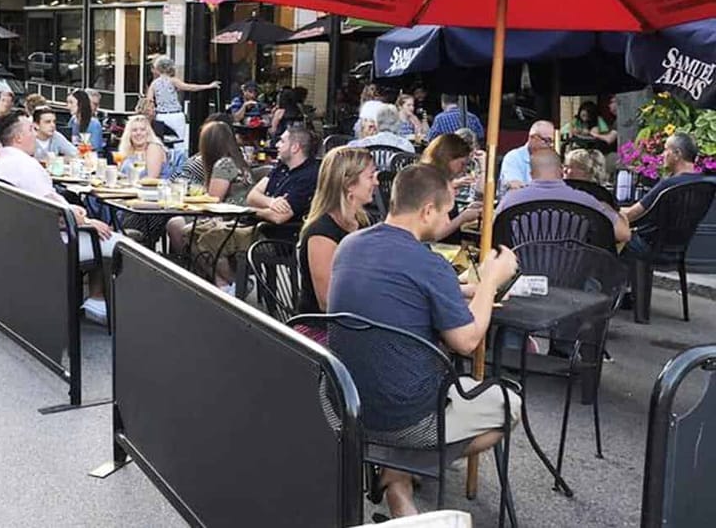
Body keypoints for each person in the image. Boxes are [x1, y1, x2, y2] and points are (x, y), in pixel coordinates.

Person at [328, 164, 521, 519]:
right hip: (405, 417)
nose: (449, 219)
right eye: (447, 211)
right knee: (509, 405)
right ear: (427, 210)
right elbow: (467, 341)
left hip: (342, 405)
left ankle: (397, 480)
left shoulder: (349, 245)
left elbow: (399, 289)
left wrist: (462, 290)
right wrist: (491, 281)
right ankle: (398, 468)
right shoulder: (429, 263)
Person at [0, 111, 116, 320]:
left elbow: (48, 204)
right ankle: (101, 303)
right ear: (19, 137)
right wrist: (87, 221)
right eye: (31, 129)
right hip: (51, 241)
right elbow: (54, 212)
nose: (35, 133)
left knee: (99, 229)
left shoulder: (2, 161)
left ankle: (96, 299)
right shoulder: (26, 166)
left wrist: (73, 210)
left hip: (24, 235)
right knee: (116, 241)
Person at [194, 123, 319, 291]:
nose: (277, 144)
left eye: (282, 141)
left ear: (295, 147)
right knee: (190, 233)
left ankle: (236, 286)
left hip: (274, 237)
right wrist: (271, 203)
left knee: (208, 240)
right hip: (253, 226)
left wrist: (252, 210)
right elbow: (252, 196)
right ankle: (224, 285)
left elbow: (279, 217)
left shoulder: (307, 177)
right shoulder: (281, 167)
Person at [296, 148, 375, 324]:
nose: (376, 181)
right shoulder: (321, 232)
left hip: (355, 319)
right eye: (370, 176)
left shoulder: (363, 220)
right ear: (349, 184)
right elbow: (327, 302)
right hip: (321, 327)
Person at [497, 148, 629, 242]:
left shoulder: (511, 200)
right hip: (575, 271)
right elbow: (623, 234)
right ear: (560, 171)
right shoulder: (586, 200)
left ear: (531, 174)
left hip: (524, 270)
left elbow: (493, 234)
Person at [167, 121, 255, 257]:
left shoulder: (224, 164)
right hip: (239, 216)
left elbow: (213, 200)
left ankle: (190, 263)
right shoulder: (238, 161)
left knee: (174, 224)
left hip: (229, 218)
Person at [622, 133, 704, 257]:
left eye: (666, 150)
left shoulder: (669, 184)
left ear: (677, 154)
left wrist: (606, 210)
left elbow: (631, 215)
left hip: (648, 246)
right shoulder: (704, 184)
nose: (662, 155)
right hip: (680, 248)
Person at [146, 55, 220, 150]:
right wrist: (208, 86)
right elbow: (189, 87)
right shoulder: (173, 81)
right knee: (179, 143)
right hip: (176, 115)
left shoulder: (154, 83)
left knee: (162, 144)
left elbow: (149, 100)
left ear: (158, 68)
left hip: (161, 116)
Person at [421, 134, 482, 234]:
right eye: (462, 164)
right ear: (447, 158)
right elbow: (434, 234)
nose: (463, 169)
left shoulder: (435, 179)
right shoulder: (431, 183)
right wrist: (463, 218)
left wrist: (466, 210)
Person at [499, 120, 556, 190]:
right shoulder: (513, 158)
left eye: (552, 142)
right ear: (532, 138)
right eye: (547, 140)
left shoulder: (550, 160)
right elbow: (515, 187)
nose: (551, 145)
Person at [116, 114, 171, 181]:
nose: (138, 133)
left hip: (153, 187)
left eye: (142, 130)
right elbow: (121, 175)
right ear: (129, 134)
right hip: (129, 186)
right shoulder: (128, 150)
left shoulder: (154, 147)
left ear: (148, 133)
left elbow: (151, 179)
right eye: (134, 130)